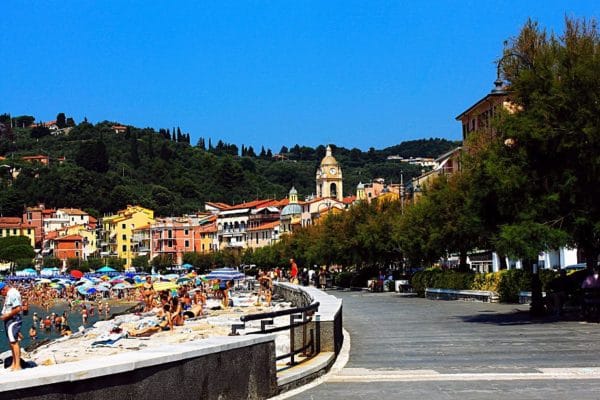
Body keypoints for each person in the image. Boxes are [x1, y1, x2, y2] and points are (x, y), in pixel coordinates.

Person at [0, 281, 24, 371]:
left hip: (12, 320)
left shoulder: (12, 293)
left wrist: (7, 315)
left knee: (14, 342)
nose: (1, 295)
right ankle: (14, 363)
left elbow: (18, 308)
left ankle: (17, 365)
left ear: (3, 289)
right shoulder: (9, 294)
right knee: (11, 342)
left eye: (0, 292)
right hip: (10, 320)